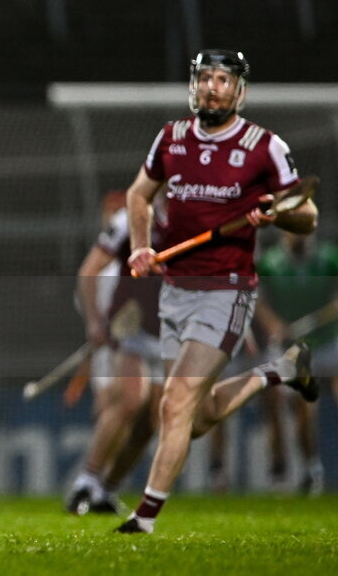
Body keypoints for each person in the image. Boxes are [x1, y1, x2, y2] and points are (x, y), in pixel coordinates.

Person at [118, 49, 319, 534]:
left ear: (239, 91)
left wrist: (275, 212)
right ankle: (278, 371)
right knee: (200, 416)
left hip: (227, 290)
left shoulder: (263, 146)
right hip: (175, 289)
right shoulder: (171, 138)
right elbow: (137, 195)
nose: (212, 87)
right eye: (205, 78)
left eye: (223, 80)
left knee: (174, 404)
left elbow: (306, 216)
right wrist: (140, 248)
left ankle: (143, 518)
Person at [66, 193, 166, 515]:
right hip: (125, 338)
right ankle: (87, 481)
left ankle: (105, 489)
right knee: (124, 402)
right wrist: (96, 325)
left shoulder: (198, 219)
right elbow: (88, 275)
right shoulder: (132, 221)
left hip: (169, 332)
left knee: (152, 420)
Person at [255, 230, 338, 495]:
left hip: (327, 342)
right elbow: (258, 303)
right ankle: (299, 468)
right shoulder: (269, 262)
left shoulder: (329, 259)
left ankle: (311, 469)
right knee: (296, 407)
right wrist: (275, 325)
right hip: (288, 347)